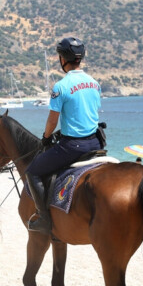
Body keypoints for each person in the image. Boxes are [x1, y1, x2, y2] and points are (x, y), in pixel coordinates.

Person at [24, 37, 102, 234]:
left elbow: (52, 121)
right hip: (95, 142)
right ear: (80, 59)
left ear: (62, 59)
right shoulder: (94, 83)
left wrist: (46, 137)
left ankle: (43, 218)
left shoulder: (60, 87)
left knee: (32, 172)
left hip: (72, 147)